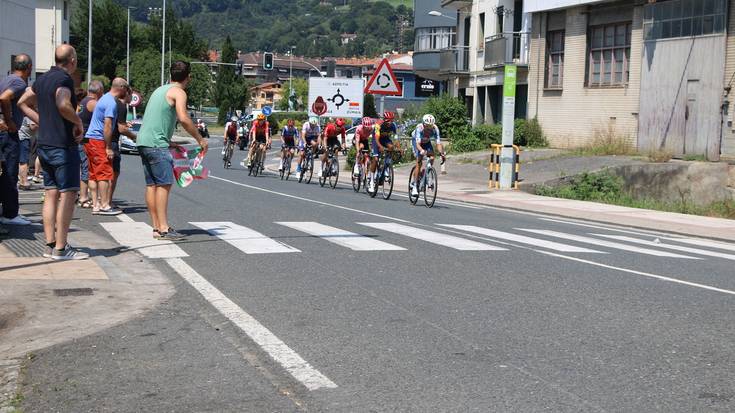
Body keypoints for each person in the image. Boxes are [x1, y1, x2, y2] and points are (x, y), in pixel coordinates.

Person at [18, 45, 89, 259]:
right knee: (68, 195)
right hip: (62, 145)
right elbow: (63, 103)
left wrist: (42, 120)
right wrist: (77, 122)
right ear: (73, 60)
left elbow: (22, 102)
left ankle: (49, 245)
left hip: (44, 144)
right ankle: (61, 247)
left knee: (50, 194)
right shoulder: (65, 80)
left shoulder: (42, 79)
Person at [135, 61, 208, 240]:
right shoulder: (179, 92)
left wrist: (169, 142)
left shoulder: (160, 90)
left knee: (151, 185)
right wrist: (200, 139)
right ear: (188, 77)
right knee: (164, 184)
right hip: (156, 145)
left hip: (144, 142)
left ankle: (155, 227)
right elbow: (183, 118)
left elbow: (157, 119)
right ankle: (164, 228)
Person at [84, 77, 129, 215]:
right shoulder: (111, 103)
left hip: (89, 139)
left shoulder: (104, 98)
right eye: (126, 88)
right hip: (98, 140)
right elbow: (108, 126)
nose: (127, 91)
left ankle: (96, 205)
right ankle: (104, 205)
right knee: (103, 173)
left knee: (93, 173)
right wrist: (108, 147)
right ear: (121, 87)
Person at [0, 53, 33, 225]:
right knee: (9, 173)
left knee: (4, 171)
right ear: (29, 68)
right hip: (8, 134)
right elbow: (4, 98)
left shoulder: (6, 79)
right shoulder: (19, 82)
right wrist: (9, 119)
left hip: (3, 131)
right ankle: (10, 214)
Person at [76, 80, 104, 209]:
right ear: (99, 91)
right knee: (87, 168)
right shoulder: (93, 103)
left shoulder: (83, 102)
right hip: (87, 138)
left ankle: (84, 195)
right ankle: (83, 197)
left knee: (84, 167)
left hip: (81, 137)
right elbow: (104, 117)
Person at [109, 86, 136, 206]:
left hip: (108, 140)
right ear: (127, 94)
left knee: (106, 173)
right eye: (131, 95)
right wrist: (134, 137)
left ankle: (103, 200)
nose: (132, 97)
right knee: (114, 173)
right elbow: (121, 129)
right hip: (113, 142)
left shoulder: (114, 103)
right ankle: (107, 201)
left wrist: (125, 125)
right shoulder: (121, 106)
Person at [411, 114, 445, 196]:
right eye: (427, 126)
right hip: (417, 143)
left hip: (426, 142)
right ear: (423, 124)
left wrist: (441, 153)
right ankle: (414, 186)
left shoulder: (435, 129)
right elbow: (418, 144)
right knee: (419, 162)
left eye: (431, 126)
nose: (429, 128)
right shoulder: (419, 128)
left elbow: (438, 143)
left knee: (432, 157)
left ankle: (427, 171)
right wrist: (422, 151)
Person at [368, 111, 400, 193]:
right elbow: (377, 139)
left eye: (391, 120)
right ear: (384, 120)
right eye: (388, 121)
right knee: (375, 158)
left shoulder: (393, 125)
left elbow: (396, 138)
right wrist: (380, 146)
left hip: (385, 139)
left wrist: (399, 148)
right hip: (377, 140)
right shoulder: (379, 124)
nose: (390, 123)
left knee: (391, 147)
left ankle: (386, 165)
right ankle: (371, 181)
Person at [17, 117, 38, 190]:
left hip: (23, 137)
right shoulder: (29, 114)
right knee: (24, 161)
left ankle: (22, 182)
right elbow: (33, 126)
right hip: (23, 138)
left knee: (23, 161)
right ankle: (24, 182)